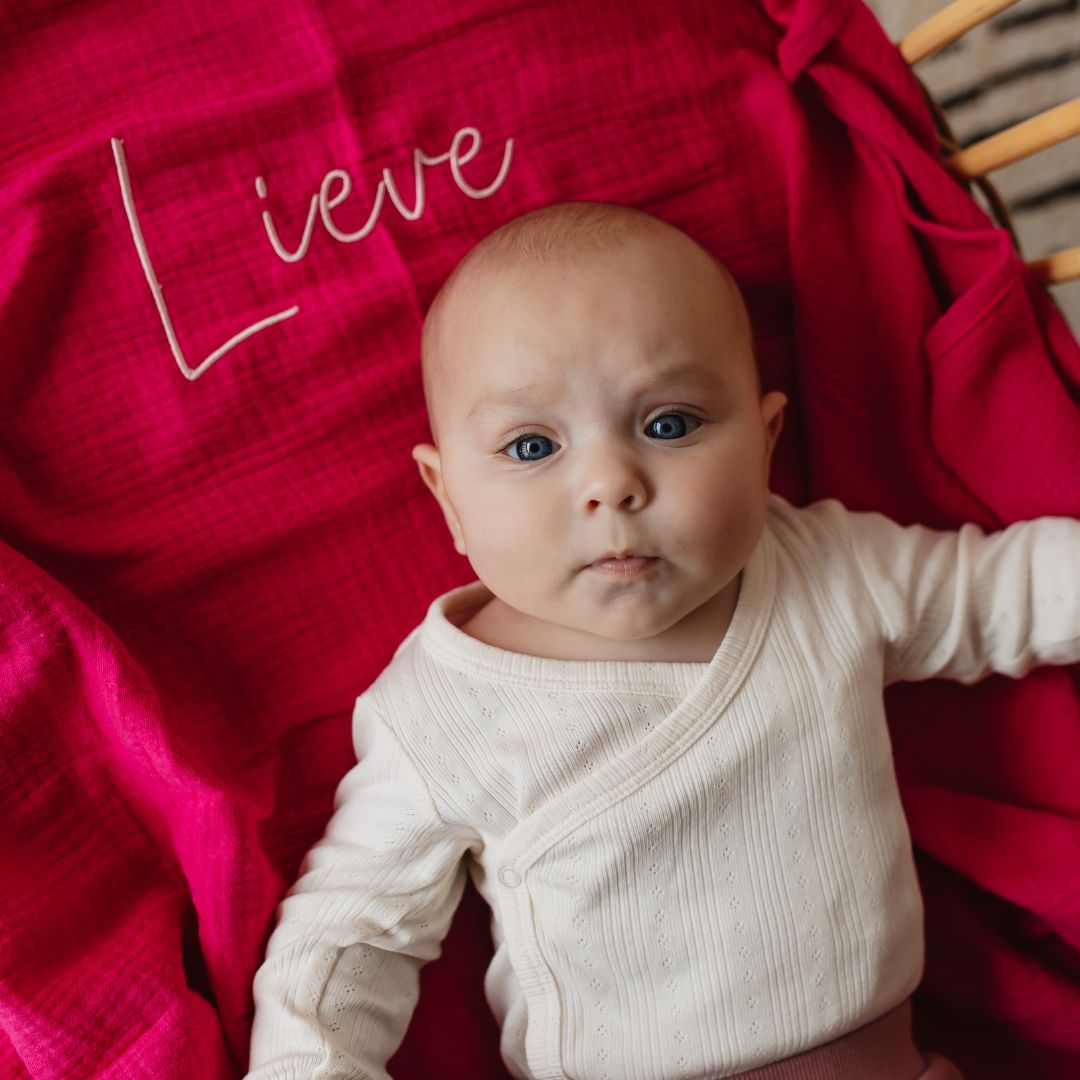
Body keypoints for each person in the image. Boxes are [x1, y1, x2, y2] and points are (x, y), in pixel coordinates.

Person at [244, 200, 1080, 1079]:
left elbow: (1006, 592)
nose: (610, 483)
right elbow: (350, 932)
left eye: (669, 424)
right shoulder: (447, 706)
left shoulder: (827, 573)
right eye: (532, 446)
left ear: (764, 446)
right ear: (447, 496)